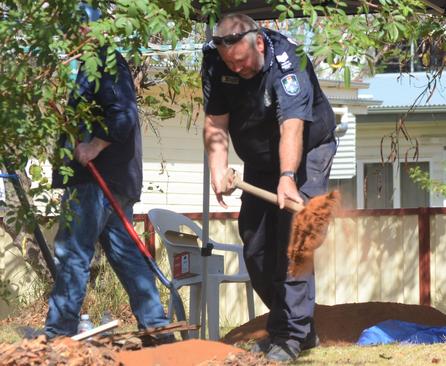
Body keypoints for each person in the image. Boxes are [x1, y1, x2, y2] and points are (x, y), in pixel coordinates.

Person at [202, 13, 337, 362]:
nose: (237, 69)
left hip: (306, 153)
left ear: (258, 43)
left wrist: (288, 177)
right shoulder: (218, 65)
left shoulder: (288, 63)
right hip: (260, 161)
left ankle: (290, 336)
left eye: (242, 61)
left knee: (294, 239)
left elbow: (291, 127)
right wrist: (218, 168)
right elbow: (216, 122)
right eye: (229, 63)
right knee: (257, 247)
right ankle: (298, 330)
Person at [44, 4, 171, 341]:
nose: (66, 36)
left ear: (87, 29)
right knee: (125, 254)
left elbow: (124, 117)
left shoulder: (104, 62)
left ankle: (58, 333)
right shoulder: (88, 66)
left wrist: (92, 147)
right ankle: (156, 326)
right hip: (113, 181)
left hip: (97, 182)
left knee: (72, 252)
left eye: (72, 29)